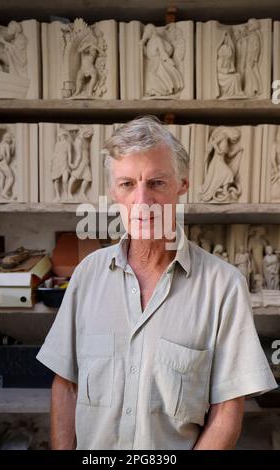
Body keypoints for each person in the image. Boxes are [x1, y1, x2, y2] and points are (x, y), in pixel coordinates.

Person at [37, 116, 277, 450]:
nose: (142, 201)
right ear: (113, 193)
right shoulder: (87, 275)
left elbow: (227, 410)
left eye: (156, 183)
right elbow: (65, 384)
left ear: (182, 185)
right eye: (127, 184)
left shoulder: (223, 286)